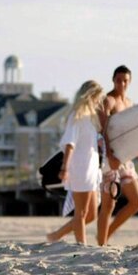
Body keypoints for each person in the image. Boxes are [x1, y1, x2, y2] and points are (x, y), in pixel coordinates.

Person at [97, 65, 138, 246]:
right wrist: (110, 155)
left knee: (137, 201)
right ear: (113, 80)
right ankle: (101, 245)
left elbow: (134, 135)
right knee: (109, 205)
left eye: (125, 80)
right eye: (119, 80)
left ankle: (104, 238)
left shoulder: (129, 104)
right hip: (110, 156)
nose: (122, 84)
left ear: (130, 82)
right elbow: (103, 131)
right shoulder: (108, 101)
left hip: (126, 157)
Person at [46, 80, 104, 245]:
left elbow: (88, 140)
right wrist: (65, 167)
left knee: (92, 213)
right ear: (90, 96)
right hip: (80, 168)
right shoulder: (76, 115)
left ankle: (56, 235)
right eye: (97, 98)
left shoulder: (91, 118)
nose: (99, 102)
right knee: (81, 213)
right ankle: (81, 245)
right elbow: (70, 143)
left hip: (92, 170)